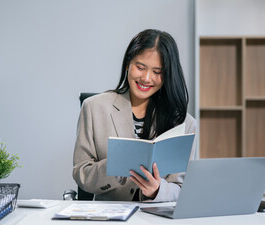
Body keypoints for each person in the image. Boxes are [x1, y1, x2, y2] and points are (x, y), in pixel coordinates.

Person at [73, 29, 196, 202]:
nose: (146, 78)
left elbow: (182, 189)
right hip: (110, 220)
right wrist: (117, 167)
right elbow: (81, 173)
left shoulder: (185, 124)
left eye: (157, 72)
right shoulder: (93, 107)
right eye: (140, 67)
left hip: (157, 223)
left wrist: (158, 190)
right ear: (127, 64)